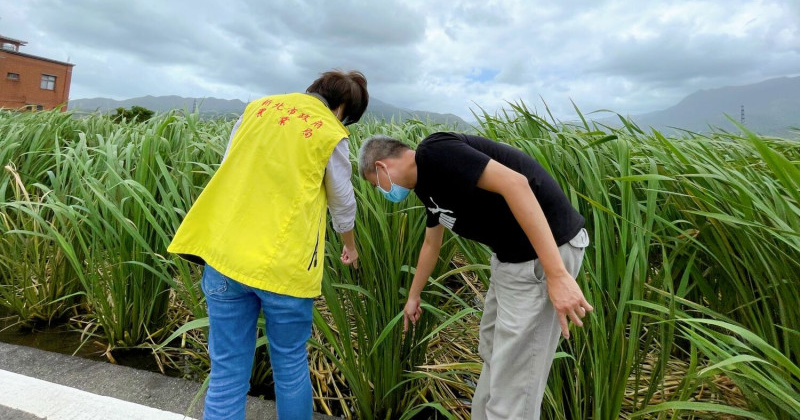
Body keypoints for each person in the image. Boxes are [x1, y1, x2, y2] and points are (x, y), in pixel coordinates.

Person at [168, 70, 369, 420]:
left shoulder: (257, 109)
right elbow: (342, 201)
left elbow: (230, 162)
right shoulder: (329, 131)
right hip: (283, 267)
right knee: (289, 367)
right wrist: (348, 244)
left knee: (227, 372)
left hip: (225, 255)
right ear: (342, 109)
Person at [358, 132, 593, 420]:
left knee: (516, 379)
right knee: (493, 352)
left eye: (375, 185)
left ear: (381, 167)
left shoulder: (434, 151)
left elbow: (515, 183)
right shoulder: (426, 186)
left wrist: (556, 274)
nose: (382, 191)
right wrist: (414, 296)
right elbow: (431, 244)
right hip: (510, 259)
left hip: (542, 257)